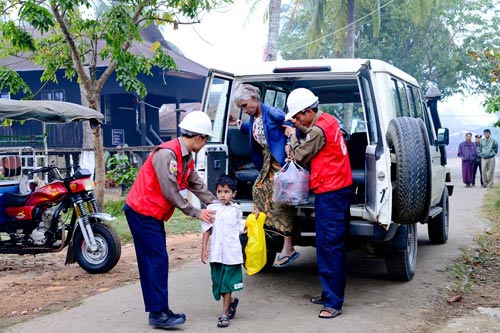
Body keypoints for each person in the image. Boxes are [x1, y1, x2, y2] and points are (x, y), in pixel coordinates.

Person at [123, 111, 217, 329]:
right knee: (157, 260)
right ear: (198, 137)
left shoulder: (185, 157)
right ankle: (158, 313)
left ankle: (160, 309)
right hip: (142, 212)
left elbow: (196, 184)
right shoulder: (167, 155)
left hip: (151, 214)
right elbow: (170, 192)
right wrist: (196, 212)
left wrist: (216, 205)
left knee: (155, 261)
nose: (204, 144)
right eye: (206, 140)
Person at [283, 88, 352, 319]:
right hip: (337, 188)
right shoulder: (328, 120)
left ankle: (333, 302)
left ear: (309, 111)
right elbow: (311, 132)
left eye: (299, 116)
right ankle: (328, 293)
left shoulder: (318, 131)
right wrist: (300, 129)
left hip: (331, 192)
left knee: (329, 245)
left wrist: (292, 137)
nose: (298, 120)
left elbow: (301, 155)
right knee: (326, 244)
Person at [232, 84, 299, 268]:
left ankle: (288, 247)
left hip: (280, 161)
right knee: (258, 190)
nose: (245, 110)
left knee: (280, 200)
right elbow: (253, 129)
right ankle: (264, 234)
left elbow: (292, 125)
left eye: (245, 105)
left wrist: (289, 144)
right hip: (267, 162)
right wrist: (237, 124)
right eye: (241, 108)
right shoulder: (255, 117)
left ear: (255, 98)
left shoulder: (273, 113)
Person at [201, 175, 245, 328]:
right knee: (218, 285)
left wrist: (256, 218)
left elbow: (242, 228)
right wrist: (203, 250)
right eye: (220, 191)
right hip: (217, 254)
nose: (222, 195)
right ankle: (231, 301)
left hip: (231, 255)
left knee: (226, 285)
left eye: (226, 192)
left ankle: (224, 313)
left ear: (234, 193)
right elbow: (206, 230)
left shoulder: (236, 210)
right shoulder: (212, 209)